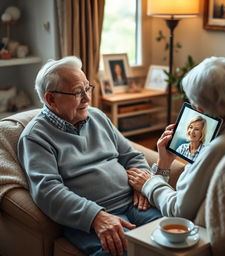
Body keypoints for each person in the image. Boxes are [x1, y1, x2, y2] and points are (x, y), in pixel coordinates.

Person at [17, 56, 162, 256]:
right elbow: (47, 190)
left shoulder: (97, 116)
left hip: (135, 204)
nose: (87, 98)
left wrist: (143, 185)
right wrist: (95, 217)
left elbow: (131, 155)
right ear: (51, 99)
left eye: (87, 88)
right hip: (88, 220)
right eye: (78, 92)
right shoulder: (35, 137)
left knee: (174, 235)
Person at [127, 56, 225, 220]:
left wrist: (149, 183)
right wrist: (164, 164)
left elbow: (179, 210)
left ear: (199, 108)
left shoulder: (217, 148)